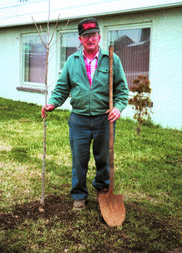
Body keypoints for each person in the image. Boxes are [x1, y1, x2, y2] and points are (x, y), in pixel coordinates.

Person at [41, 18, 129, 209]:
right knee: (79, 160)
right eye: (86, 36)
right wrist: (52, 103)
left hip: (104, 119)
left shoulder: (112, 59)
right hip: (79, 119)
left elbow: (122, 89)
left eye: (94, 35)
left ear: (99, 37)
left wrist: (118, 108)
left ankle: (102, 190)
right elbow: (62, 87)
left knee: (103, 158)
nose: (91, 39)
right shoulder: (72, 62)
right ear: (80, 39)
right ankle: (79, 195)